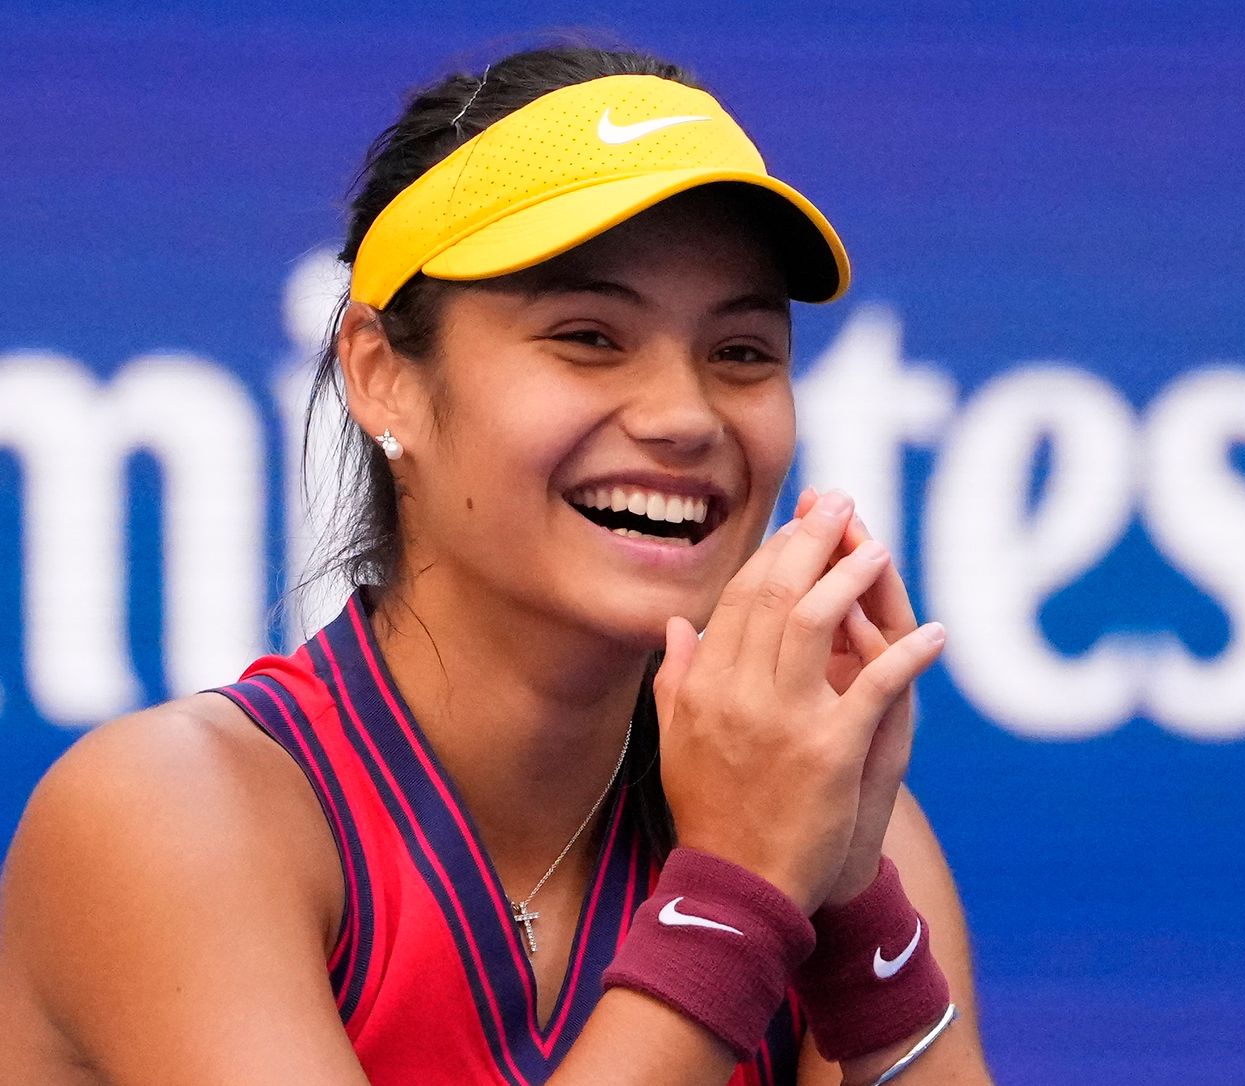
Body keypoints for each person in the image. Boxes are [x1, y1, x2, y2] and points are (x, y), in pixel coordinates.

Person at [0, 45, 993, 1086]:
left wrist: (852, 923)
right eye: (586, 336)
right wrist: (737, 901)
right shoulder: (165, 811)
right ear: (380, 377)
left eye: (741, 353)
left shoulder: (811, 817)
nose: (683, 416)